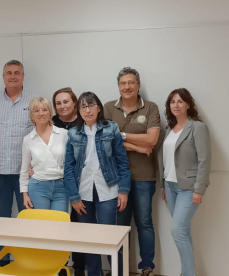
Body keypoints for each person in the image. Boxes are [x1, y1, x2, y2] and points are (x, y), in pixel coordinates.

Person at [65, 92, 131, 276]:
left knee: (110, 238)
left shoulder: (111, 128)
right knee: (89, 239)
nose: (88, 110)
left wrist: (124, 190)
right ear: (78, 110)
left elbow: (122, 162)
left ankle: (118, 273)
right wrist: (74, 197)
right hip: (82, 192)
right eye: (83, 106)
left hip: (108, 189)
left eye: (91, 105)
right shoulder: (73, 133)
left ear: (99, 107)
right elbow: (68, 169)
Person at [104, 67, 160, 276]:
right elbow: (106, 141)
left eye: (131, 83)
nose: (126, 87)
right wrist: (134, 143)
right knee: (119, 225)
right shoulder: (109, 108)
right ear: (118, 86)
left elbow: (152, 139)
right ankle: (119, 268)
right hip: (116, 178)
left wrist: (121, 135)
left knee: (145, 222)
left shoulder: (150, 107)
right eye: (122, 83)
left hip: (144, 177)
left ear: (138, 85)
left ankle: (147, 267)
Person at [0, 60, 38, 265]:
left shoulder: (34, 100)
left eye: (17, 73)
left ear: (23, 76)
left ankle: (27, 259)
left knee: (27, 217)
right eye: (8, 73)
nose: (13, 76)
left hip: (27, 172)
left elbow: (42, 129)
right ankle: (2, 259)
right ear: (3, 76)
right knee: (1, 216)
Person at [158, 88, 211, 276]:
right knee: (184, 231)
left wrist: (199, 189)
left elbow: (205, 160)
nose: (176, 105)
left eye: (180, 101)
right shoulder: (169, 130)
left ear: (188, 104)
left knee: (177, 231)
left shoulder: (197, 127)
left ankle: (188, 274)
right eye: (172, 102)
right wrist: (164, 186)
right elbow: (165, 161)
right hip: (170, 187)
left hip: (188, 189)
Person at [52, 87, 85, 276]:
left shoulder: (83, 121)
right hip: (57, 182)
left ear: (74, 103)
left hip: (81, 181)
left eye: (66, 102)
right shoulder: (51, 121)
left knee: (78, 225)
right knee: (61, 225)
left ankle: (79, 266)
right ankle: (61, 266)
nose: (62, 106)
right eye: (58, 103)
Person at [20, 97, 68, 213]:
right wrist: (25, 195)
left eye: (45, 110)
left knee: (60, 225)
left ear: (50, 112)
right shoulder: (28, 139)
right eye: (36, 111)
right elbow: (24, 170)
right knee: (41, 227)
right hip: (38, 187)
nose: (41, 114)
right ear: (32, 115)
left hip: (61, 186)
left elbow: (71, 162)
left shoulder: (63, 134)